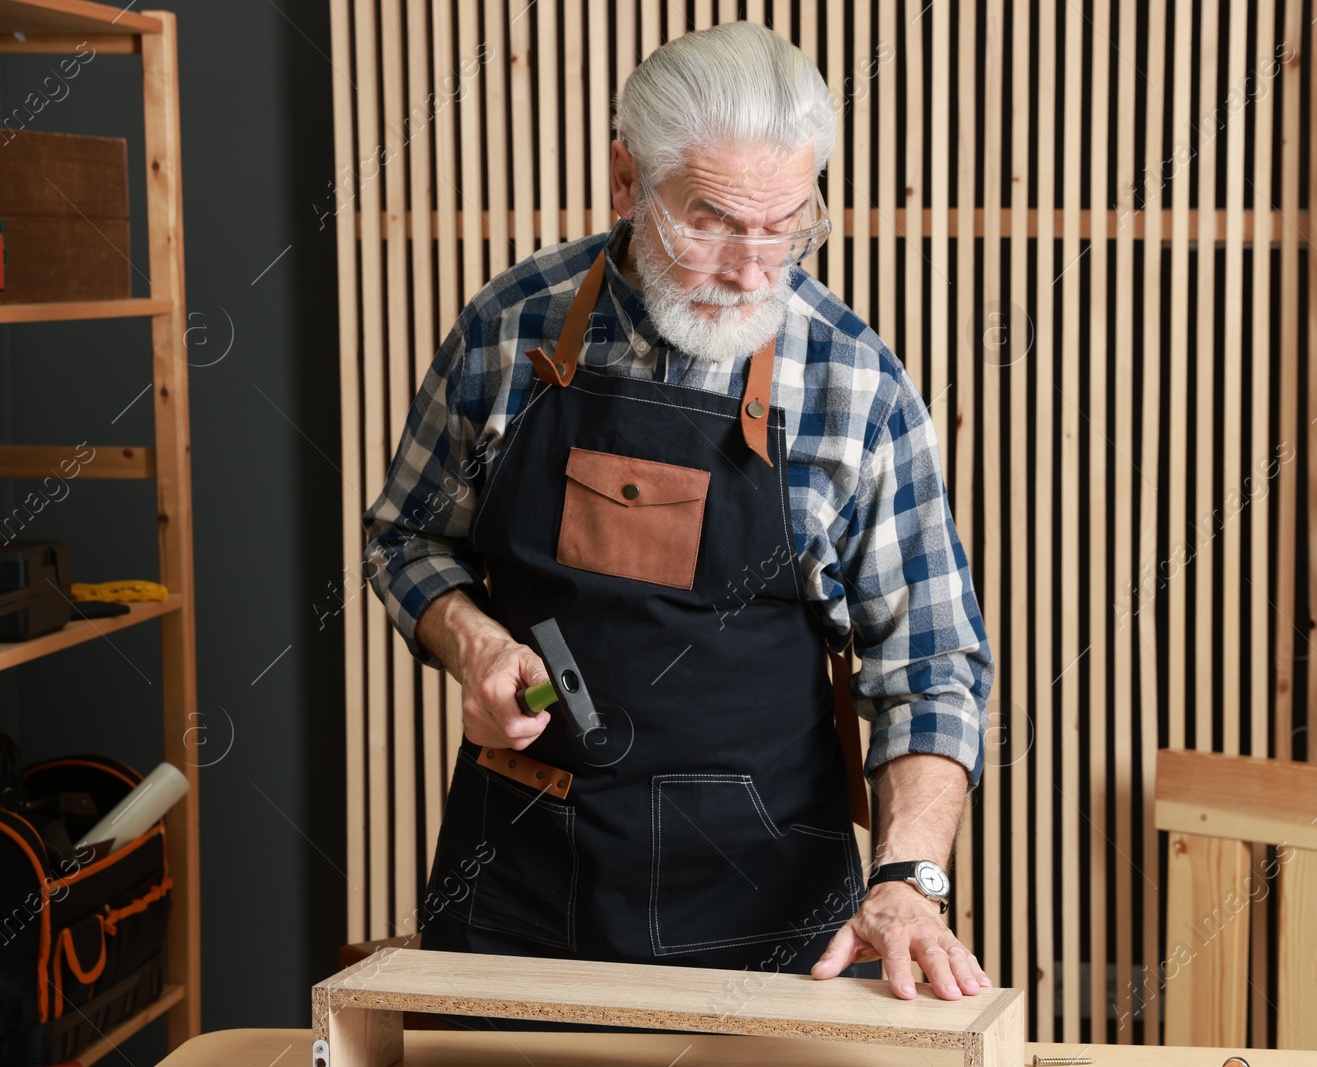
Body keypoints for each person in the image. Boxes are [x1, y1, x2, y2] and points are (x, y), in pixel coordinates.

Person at [361, 20, 994, 1006]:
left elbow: (933, 662)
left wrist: (909, 877)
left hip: (767, 927)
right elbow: (408, 536)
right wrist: (476, 644)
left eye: (785, 225)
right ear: (626, 181)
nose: (752, 269)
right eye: (710, 221)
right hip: (515, 904)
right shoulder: (508, 331)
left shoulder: (851, 384)